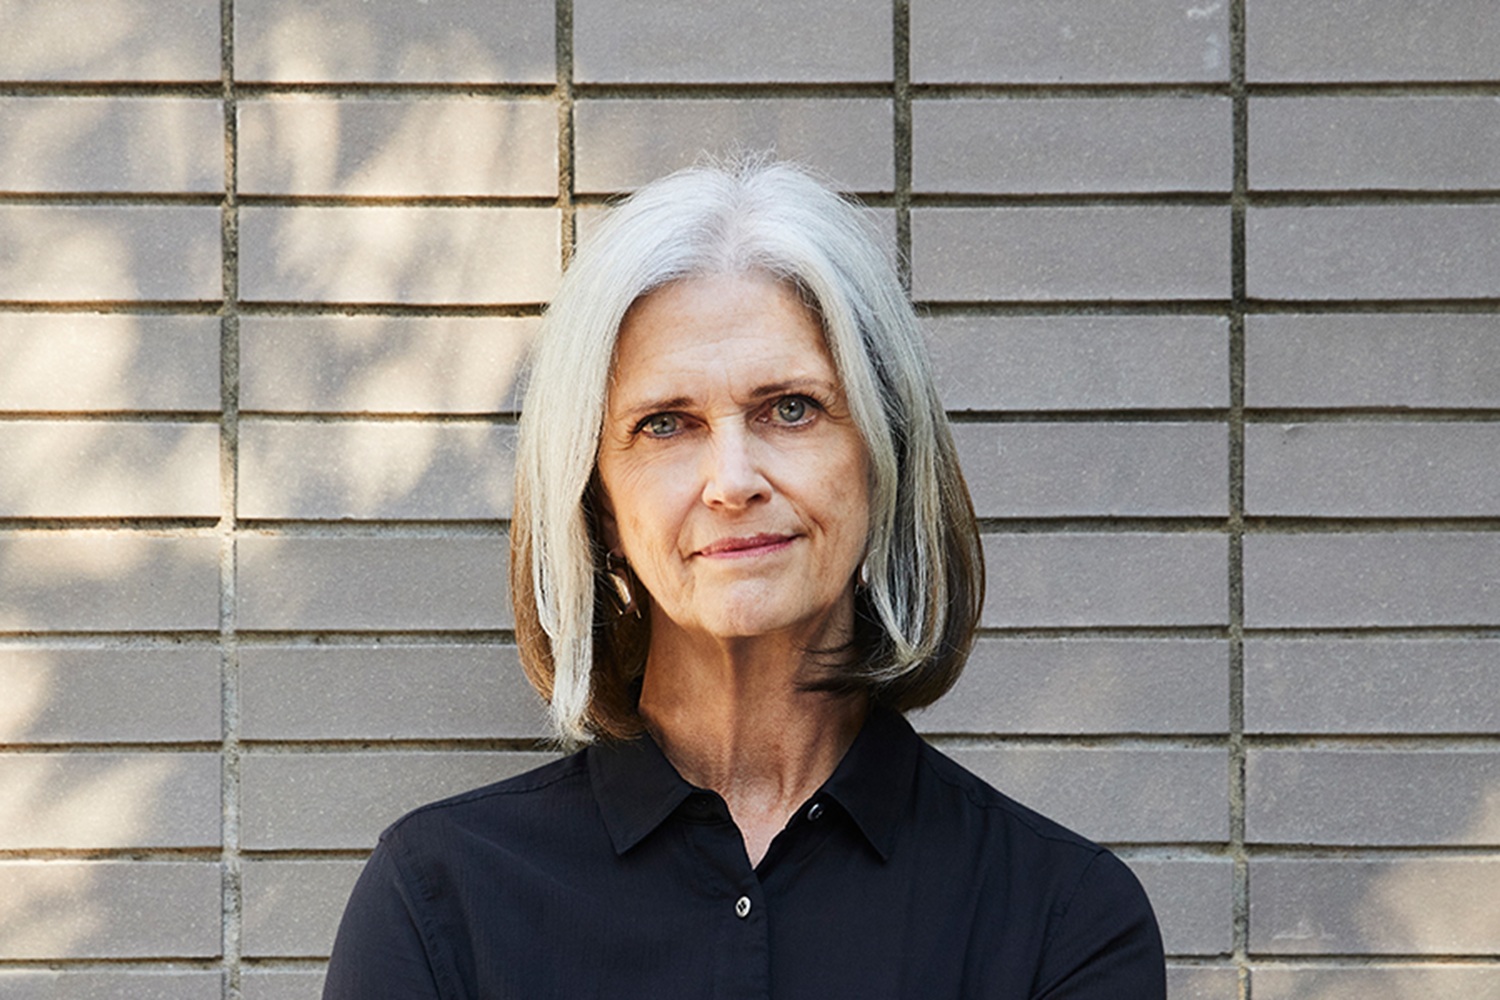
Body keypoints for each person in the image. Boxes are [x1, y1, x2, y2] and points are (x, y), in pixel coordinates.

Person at [323, 160, 1166, 999]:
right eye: (665, 425)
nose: (733, 481)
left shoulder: (1061, 919)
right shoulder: (439, 905)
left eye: (790, 408)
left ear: (884, 459)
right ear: (600, 507)